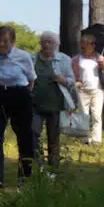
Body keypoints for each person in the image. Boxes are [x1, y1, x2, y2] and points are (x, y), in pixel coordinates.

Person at [0, 25, 36, 190]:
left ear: (12, 41)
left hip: (19, 95)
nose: (2, 44)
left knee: (24, 137)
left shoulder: (23, 57)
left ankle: (25, 177)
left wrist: (22, 95)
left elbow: (31, 79)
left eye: (5, 41)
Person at [31, 31, 76, 175]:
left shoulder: (64, 60)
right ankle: (39, 165)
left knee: (53, 138)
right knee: (33, 133)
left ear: (57, 45)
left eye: (51, 42)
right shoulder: (32, 59)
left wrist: (64, 80)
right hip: (34, 104)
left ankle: (53, 171)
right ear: (40, 43)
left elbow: (72, 81)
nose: (47, 44)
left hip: (56, 105)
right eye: (44, 41)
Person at [72, 34, 104, 145]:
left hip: (97, 90)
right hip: (82, 91)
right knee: (84, 115)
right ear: (83, 45)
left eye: (94, 43)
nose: (93, 45)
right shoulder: (77, 59)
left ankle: (96, 139)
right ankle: (85, 139)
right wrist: (76, 82)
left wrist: (102, 64)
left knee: (96, 115)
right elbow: (73, 74)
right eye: (91, 43)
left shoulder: (98, 57)